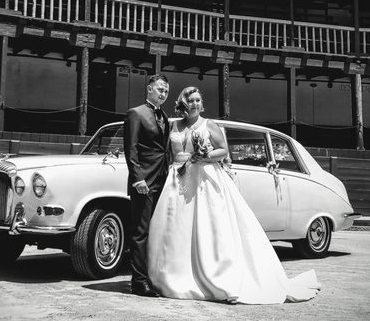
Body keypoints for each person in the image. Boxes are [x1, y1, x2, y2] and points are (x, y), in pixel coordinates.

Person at [147, 86, 321, 304]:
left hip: (203, 179)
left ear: (202, 104)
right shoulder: (174, 125)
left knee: (207, 227)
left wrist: (205, 155)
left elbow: (223, 150)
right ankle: (171, 275)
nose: (194, 104)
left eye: (198, 100)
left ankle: (216, 276)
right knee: (176, 228)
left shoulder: (209, 125)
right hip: (176, 179)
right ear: (183, 102)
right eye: (190, 100)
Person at [123, 73, 170, 297]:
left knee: (158, 230)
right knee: (140, 232)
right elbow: (131, 149)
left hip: (163, 179)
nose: (163, 94)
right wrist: (137, 178)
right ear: (149, 89)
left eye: (166, 91)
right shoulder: (136, 113)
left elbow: (163, 150)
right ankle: (139, 281)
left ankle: (153, 275)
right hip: (144, 181)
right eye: (160, 89)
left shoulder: (165, 116)